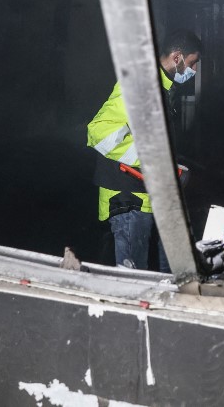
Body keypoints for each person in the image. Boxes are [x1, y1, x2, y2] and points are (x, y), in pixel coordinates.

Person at [86, 30, 203, 272]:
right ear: (177, 57)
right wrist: (157, 162)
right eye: (193, 63)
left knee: (147, 277)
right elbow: (99, 132)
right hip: (127, 199)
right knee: (133, 282)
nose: (194, 70)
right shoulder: (142, 87)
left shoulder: (161, 88)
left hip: (143, 197)